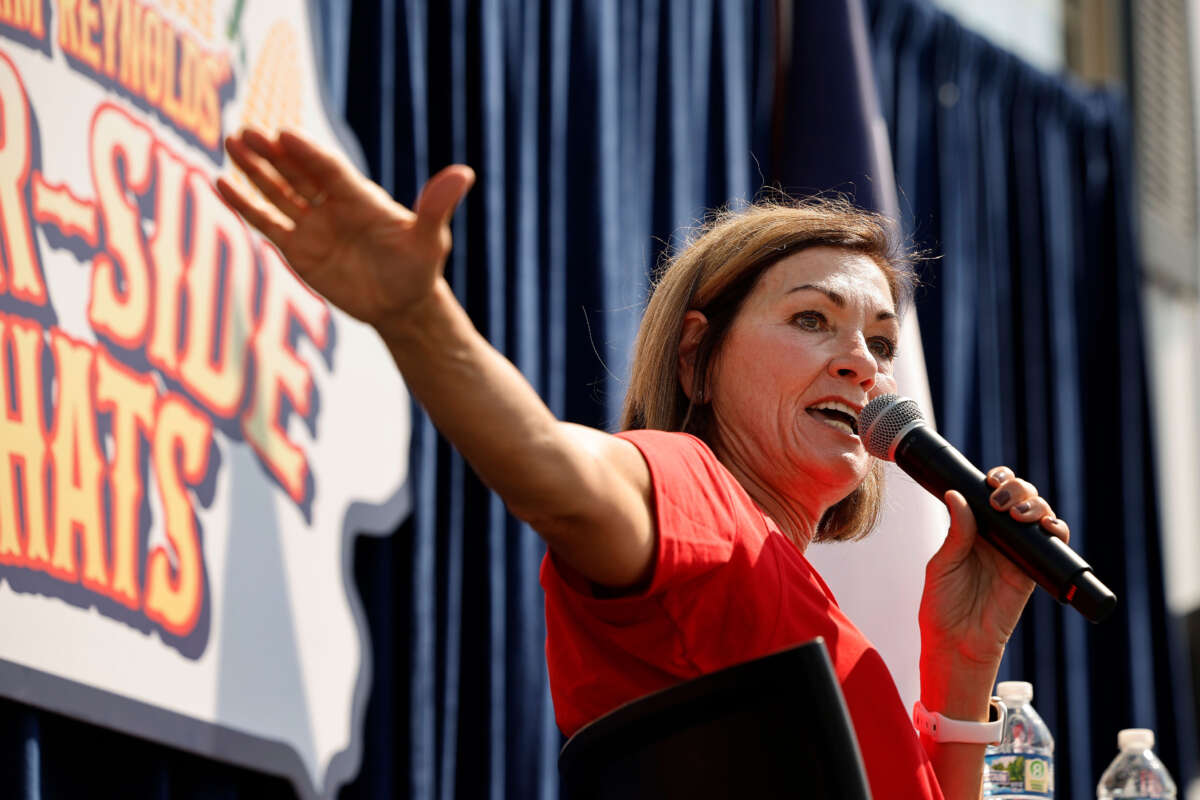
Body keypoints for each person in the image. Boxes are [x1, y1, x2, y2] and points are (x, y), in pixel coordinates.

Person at [218, 127, 1069, 800]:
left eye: (882, 341)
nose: (862, 362)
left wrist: (963, 662)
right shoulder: (698, 491)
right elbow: (560, 478)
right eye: (813, 320)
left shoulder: (827, 624)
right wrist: (418, 318)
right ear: (695, 361)